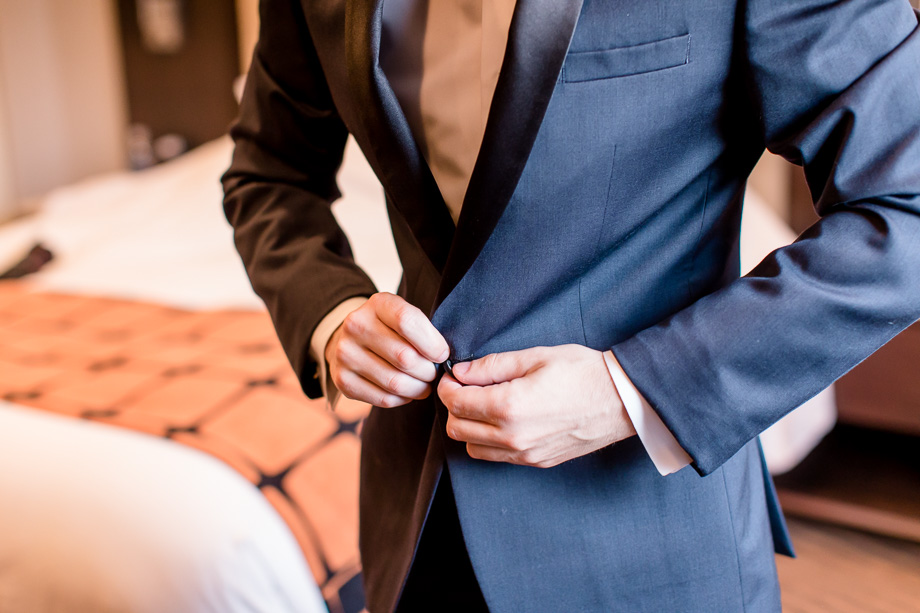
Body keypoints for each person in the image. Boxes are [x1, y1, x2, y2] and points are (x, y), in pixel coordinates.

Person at [222, 0, 920, 610]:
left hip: (646, 546)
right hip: (411, 529)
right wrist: (330, 315)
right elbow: (269, 172)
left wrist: (631, 390)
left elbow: (906, 210)